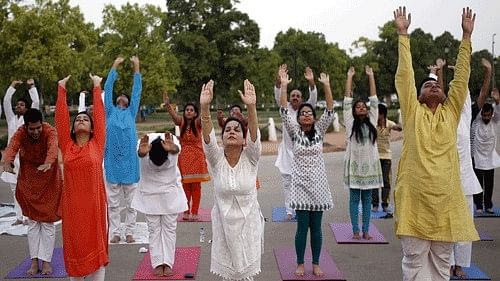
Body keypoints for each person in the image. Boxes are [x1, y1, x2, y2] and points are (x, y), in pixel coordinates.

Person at [393, 7, 479, 280]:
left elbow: (461, 78)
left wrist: (466, 38)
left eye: (437, 86)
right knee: (414, 262)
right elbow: (405, 76)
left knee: (442, 264)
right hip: (414, 203)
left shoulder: (450, 113)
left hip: (445, 205)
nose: (434, 87)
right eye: (427, 86)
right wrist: (403, 35)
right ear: (416, 96)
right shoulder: (412, 111)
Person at [200, 79, 264, 281]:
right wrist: (204, 107)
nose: (232, 132)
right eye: (228, 130)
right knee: (228, 276)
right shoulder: (216, 159)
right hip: (224, 229)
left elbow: (254, 135)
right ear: (223, 137)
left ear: (243, 138)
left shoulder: (251, 157)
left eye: (237, 129)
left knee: (246, 277)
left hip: (249, 227)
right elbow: (208, 137)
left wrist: (251, 107)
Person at [279, 70, 334, 277]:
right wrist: (284, 85)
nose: (306, 115)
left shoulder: (319, 131)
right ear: (299, 118)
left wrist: (325, 85)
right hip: (300, 185)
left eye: (309, 112)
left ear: (313, 116)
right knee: (302, 227)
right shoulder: (295, 132)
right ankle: (300, 262)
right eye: (303, 113)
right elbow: (284, 110)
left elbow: (329, 109)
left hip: (319, 185)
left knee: (316, 228)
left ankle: (316, 262)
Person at [56, 74, 108, 280]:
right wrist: (61, 90)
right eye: (78, 119)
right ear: (73, 127)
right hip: (72, 210)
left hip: (95, 207)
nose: (81, 120)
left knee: (96, 252)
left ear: (92, 127)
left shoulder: (97, 144)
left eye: (86, 119)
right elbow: (61, 120)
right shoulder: (67, 146)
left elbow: (101, 116)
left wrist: (97, 87)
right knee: (75, 250)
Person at [2, 108, 62, 275]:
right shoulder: (20, 133)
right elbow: (12, 147)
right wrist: (8, 162)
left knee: (48, 223)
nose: (35, 132)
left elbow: (53, 147)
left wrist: (49, 162)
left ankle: (47, 261)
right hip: (29, 181)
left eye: (38, 128)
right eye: (32, 128)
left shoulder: (49, 131)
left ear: (42, 124)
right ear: (26, 126)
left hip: (49, 180)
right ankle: (34, 261)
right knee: (33, 223)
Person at [132, 132, 187, 277]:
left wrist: (172, 149)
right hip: (149, 193)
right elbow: (139, 153)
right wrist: (142, 153)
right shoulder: (143, 144)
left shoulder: (172, 142)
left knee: (169, 229)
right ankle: (157, 263)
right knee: (154, 230)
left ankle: (168, 263)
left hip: (170, 193)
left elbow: (176, 150)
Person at [104, 56, 142, 243]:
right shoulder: (109, 111)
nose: (122, 97)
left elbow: (136, 93)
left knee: (131, 203)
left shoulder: (131, 112)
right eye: (120, 96)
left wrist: (137, 68)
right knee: (113, 204)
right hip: (112, 162)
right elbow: (108, 88)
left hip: (129, 163)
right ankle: (116, 232)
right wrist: (115, 66)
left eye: (124, 97)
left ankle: (130, 232)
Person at [344, 65, 383, 239]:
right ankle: (355, 231)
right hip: (354, 168)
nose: (361, 108)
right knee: (354, 200)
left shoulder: (372, 122)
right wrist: (349, 77)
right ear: (353, 111)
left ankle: (366, 231)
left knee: (367, 200)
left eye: (363, 106)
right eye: (357, 106)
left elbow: (374, 99)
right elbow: (346, 99)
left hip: (370, 168)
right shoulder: (350, 124)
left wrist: (371, 76)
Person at [274, 64, 318, 220]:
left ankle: (303, 207)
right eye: (292, 96)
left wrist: (311, 82)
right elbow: (279, 94)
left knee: (303, 183)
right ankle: (289, 211)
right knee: (287, 183)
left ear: (301, 99)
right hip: (287, 153)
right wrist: (280, 81)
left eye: (298, 96)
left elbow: (313, 97)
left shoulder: (306, 111)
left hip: (304, 154)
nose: (295, 98)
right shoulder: (284, 109)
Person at [163, 92, 210, 221]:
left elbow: (205, 117)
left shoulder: (197, 123)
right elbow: (173, 116)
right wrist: (168, 105)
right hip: (184, 158)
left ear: (195, 113)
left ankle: (194, 212)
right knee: (185, 186)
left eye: (191, 110)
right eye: (187, 110)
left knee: (196, 186)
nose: (189, 112)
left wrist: (205, 103)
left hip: (197, 157)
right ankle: (186, 211)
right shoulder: (182, 123)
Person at [2, 79, 39, 225]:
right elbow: (6, 101)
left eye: (22, 105)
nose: (19, 106)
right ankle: (19, 217)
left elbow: (36, 102)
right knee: (14, 188)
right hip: (11, 158)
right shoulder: (11, 119)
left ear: (27, 108)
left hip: (26, 157)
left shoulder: (29, 120)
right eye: (17, 105)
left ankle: (27, 215)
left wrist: (31, 87)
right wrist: (12, 86)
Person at [471, 63, 500, 214]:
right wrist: (487, 73)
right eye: (485, 115)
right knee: (477, 183)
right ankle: (479, 205)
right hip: (477, 156)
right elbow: (482, 96)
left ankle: (488, 204)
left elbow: (499, 110)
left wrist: (497, 101)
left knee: (489, 183)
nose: (487, 117)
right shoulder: (476, 119)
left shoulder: (495, 119)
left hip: (489, 157)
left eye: (489, 115)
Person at [373, 103, 402, 218]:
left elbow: (397, 128)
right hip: (375, 156)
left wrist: (400, 126)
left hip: (387, 157)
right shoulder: (373, 124)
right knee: (375, 181)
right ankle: (375, 204)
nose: (376, 115)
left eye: (378, 114)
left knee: (386, 181)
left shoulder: (389, 124)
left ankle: (385, 203)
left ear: (383, 114)